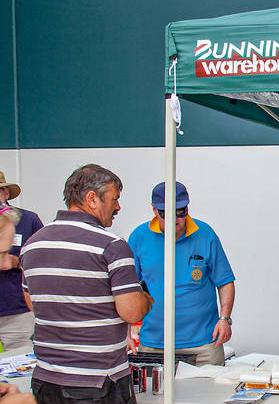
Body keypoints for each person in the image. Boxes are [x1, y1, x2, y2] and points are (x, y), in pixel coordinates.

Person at [20, 164, 152, 404]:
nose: (118, 207)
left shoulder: (32, 244)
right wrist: (144, 299)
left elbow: (33, 303)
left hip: (46, 380)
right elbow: (132, 312)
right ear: (92, 198)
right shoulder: (112, 245)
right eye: (115, 199)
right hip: (98, 381)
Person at [129, 181, 236, 366]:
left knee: (209, 394)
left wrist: (225, 319)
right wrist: (125, 333)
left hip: (204, 346)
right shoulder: (139, 237)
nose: (174, 219)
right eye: (165, 213)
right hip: (154, 345)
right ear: (154, 210)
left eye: (180, 211)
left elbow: (225, 281)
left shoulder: (205, 234)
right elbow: (126, 289)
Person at [0, 171, 43, 350]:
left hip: (18, 311)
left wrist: (16, 262)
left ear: (5, 193)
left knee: (19, 367)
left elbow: (44, 262)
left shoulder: (28, 220)